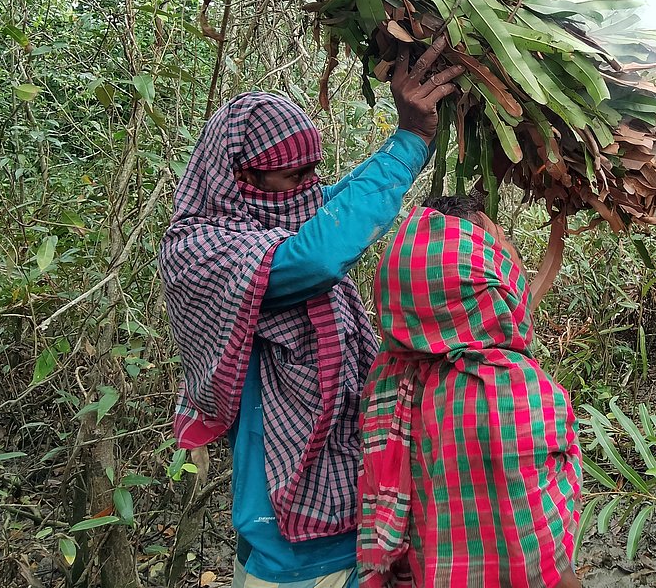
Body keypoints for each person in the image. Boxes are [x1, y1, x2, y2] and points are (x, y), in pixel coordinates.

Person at [159, 39, 463, 588]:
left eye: (311, 173)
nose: (307, 187)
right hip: (282, 531)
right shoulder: (197, 249)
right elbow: (317, 254)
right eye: (292, 177)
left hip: (355, 503)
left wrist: (411, 141)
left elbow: (340, 200)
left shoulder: (283, 210)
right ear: (240, 177)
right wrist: (411, 140)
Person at [357, 194, 583, 588]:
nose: (510, 254)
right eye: (501, 243)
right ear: (480, 276)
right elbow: (545, 554)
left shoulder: (387, 377)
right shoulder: (512, 390)